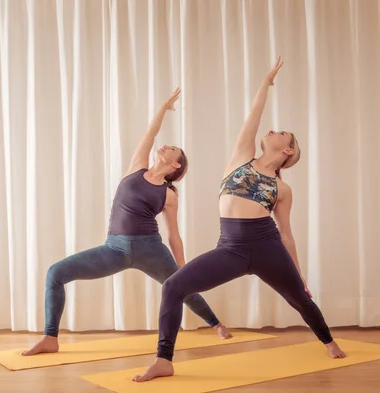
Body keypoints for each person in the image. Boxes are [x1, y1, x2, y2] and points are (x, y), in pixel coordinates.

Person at [133, 57, 346, 381]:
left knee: (300, 298)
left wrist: (299, 273)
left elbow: (286, 233)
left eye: (282, 133)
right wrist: (265, 83)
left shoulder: (282, 188)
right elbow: (254, 116)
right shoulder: (241, 157)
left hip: (267, 246)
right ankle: (164, 359)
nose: (272, 129)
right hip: (230, 248)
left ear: (287, 151)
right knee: (174, 286)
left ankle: (328, 341)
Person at [22, 88, 232, 356]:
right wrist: (163, 108)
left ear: (176, 166)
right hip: (114, 249)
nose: (166, 145)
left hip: (151, 250)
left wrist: (182, 266)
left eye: (174, 149)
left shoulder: (169, 195)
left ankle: (216, 324)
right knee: (55, 273)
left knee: (182, 286)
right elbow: (151, 133)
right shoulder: (137, 167)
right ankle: (50, 338)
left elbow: (174, 235)